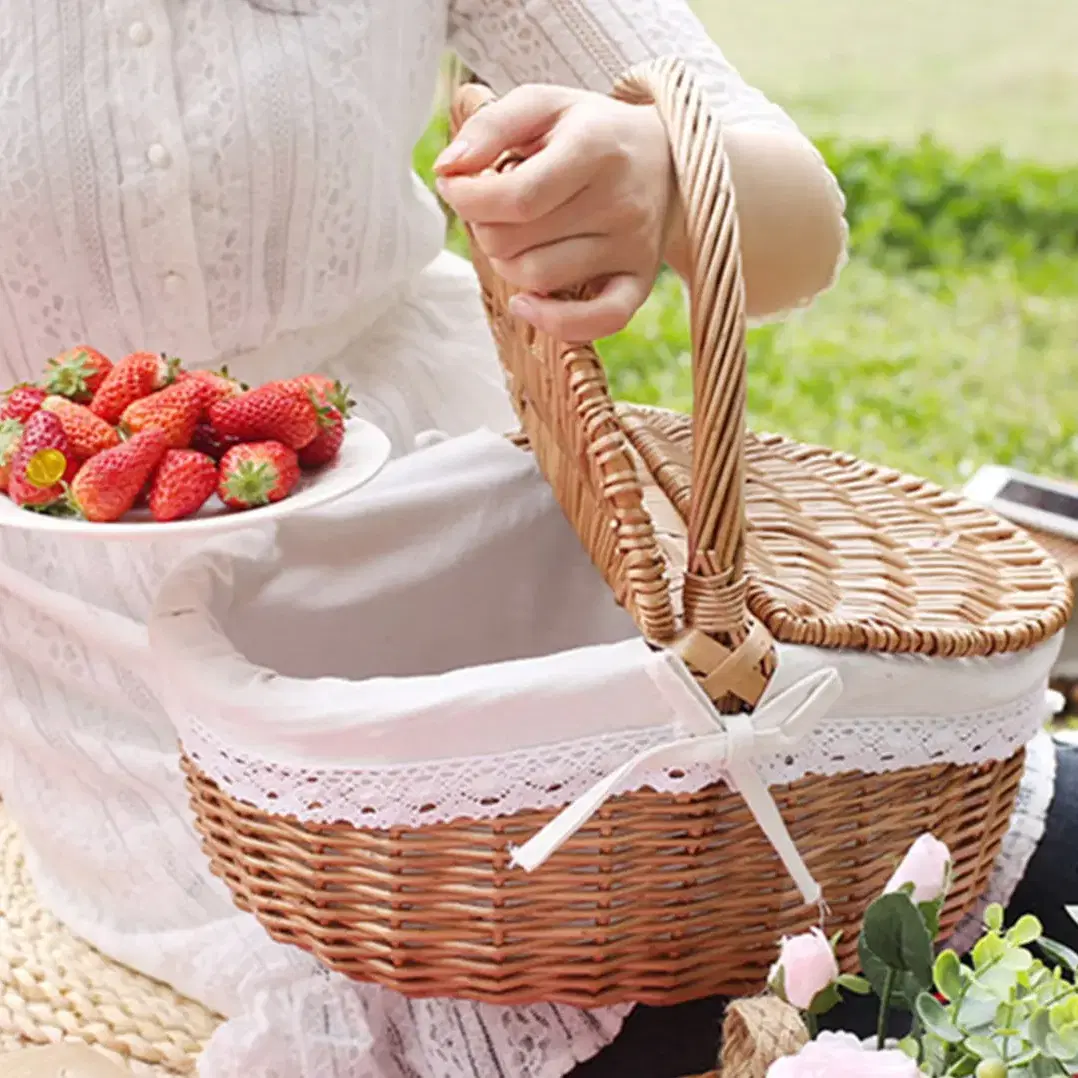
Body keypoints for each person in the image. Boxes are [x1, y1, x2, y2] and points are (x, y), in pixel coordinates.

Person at [0, 1, 1023, 1077]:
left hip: (492, 547)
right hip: (123, 692)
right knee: (664, 1019)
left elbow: (797, 235)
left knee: (971, 885)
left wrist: (665, 173)